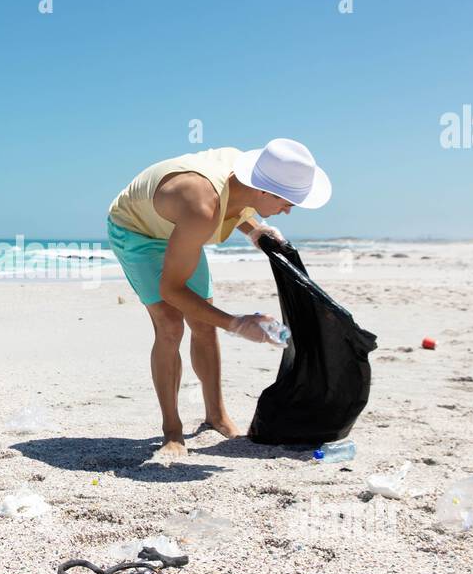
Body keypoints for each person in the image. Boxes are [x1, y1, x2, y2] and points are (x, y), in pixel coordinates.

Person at [106, 139, 332, 458]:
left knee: (203, 323)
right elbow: (172, 290)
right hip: (137, 231)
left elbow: (238, 205)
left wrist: (256, 229)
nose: (289, 209)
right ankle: (172, 430)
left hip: (180, 227)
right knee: (170, 326)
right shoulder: (201, 207)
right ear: (264, 190)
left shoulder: (249, 178)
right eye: (288, 200)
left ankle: (216, 415)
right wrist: (237, 324)